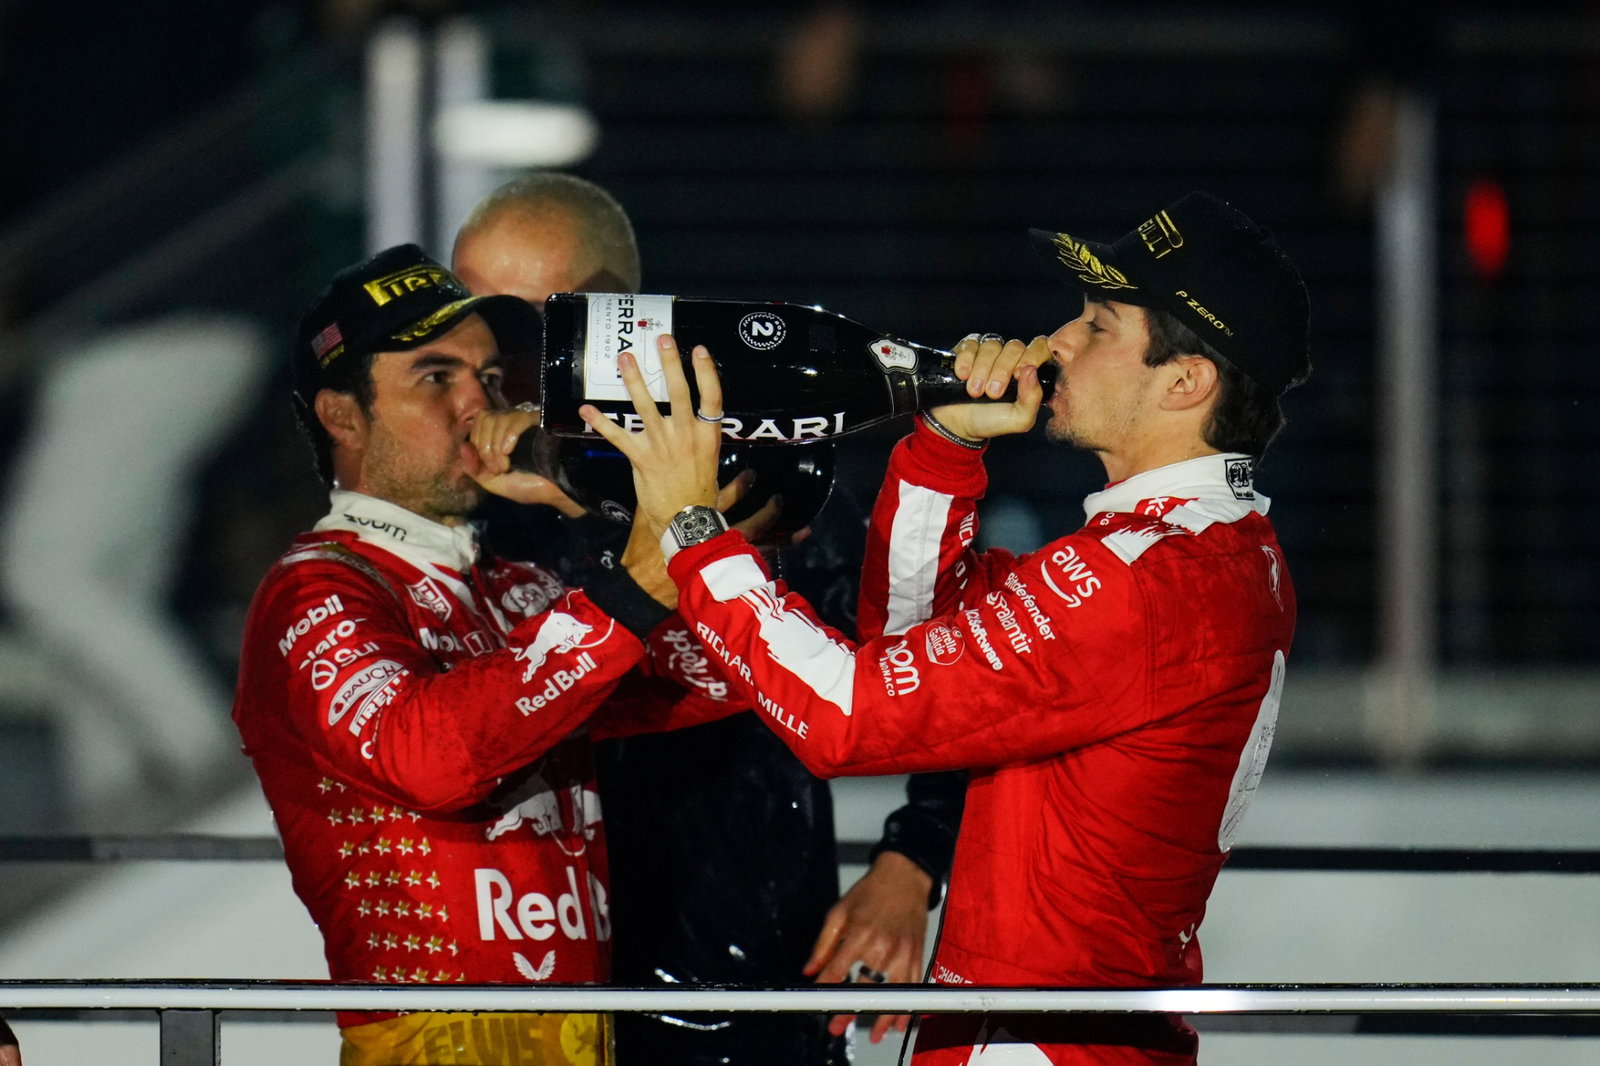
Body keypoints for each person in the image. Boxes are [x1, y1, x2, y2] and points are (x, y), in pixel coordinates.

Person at [585, 190, 1310, 1065]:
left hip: (1038, 1041)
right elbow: (909, 648)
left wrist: (691, 527)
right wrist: (944, 445)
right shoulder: (1202, 551)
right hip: (1046, 1025)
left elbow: (846, 714)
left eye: (1100, 325)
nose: (1057, 343)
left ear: (1186, 382)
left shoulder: (1148, 578)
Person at [451, 171, 966, 1062]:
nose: (493, 355)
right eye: (470, 315)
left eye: (525, 322)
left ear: (616, 314)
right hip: (529, 1005)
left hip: (743, 1002)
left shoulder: (762, 472)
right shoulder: (465, 494)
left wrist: (910, 865)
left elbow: (940, 672)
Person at [231, 244, 754, 1066]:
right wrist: (636, 582)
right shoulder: (315, 593)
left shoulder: (516, 582)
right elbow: (433, 760)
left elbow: (728, 675)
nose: (480, 401)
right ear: (342, 417)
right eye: (437, 378)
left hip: (584, 1031)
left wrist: (594, 514)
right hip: (436, 1039)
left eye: (489, 377)